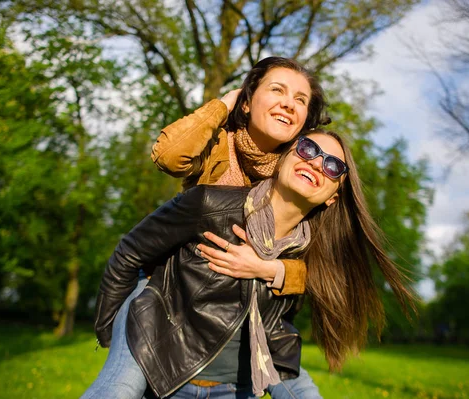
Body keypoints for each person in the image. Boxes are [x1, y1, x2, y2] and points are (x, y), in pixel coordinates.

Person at [83, 130, 416, 398]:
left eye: (332, 166)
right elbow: (129, 253)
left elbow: (314, 295)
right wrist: (110, 332)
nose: (317, 163)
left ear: (333, 196)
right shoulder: (209, 204)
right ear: (285, 157)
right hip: (163, 370)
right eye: (308, 149)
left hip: (238, 386)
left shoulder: (310, 251)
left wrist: (270, 268)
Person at [90, 57, 329, 399]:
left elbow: (320, 271)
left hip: (235, 312)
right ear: (247, 102)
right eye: (277, 90)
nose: (289, 103)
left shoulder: (298, 176)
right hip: (168, 294)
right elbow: (170, 156)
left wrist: (268, 268)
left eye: (301, 100)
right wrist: (226, 103)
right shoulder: (219, 141)